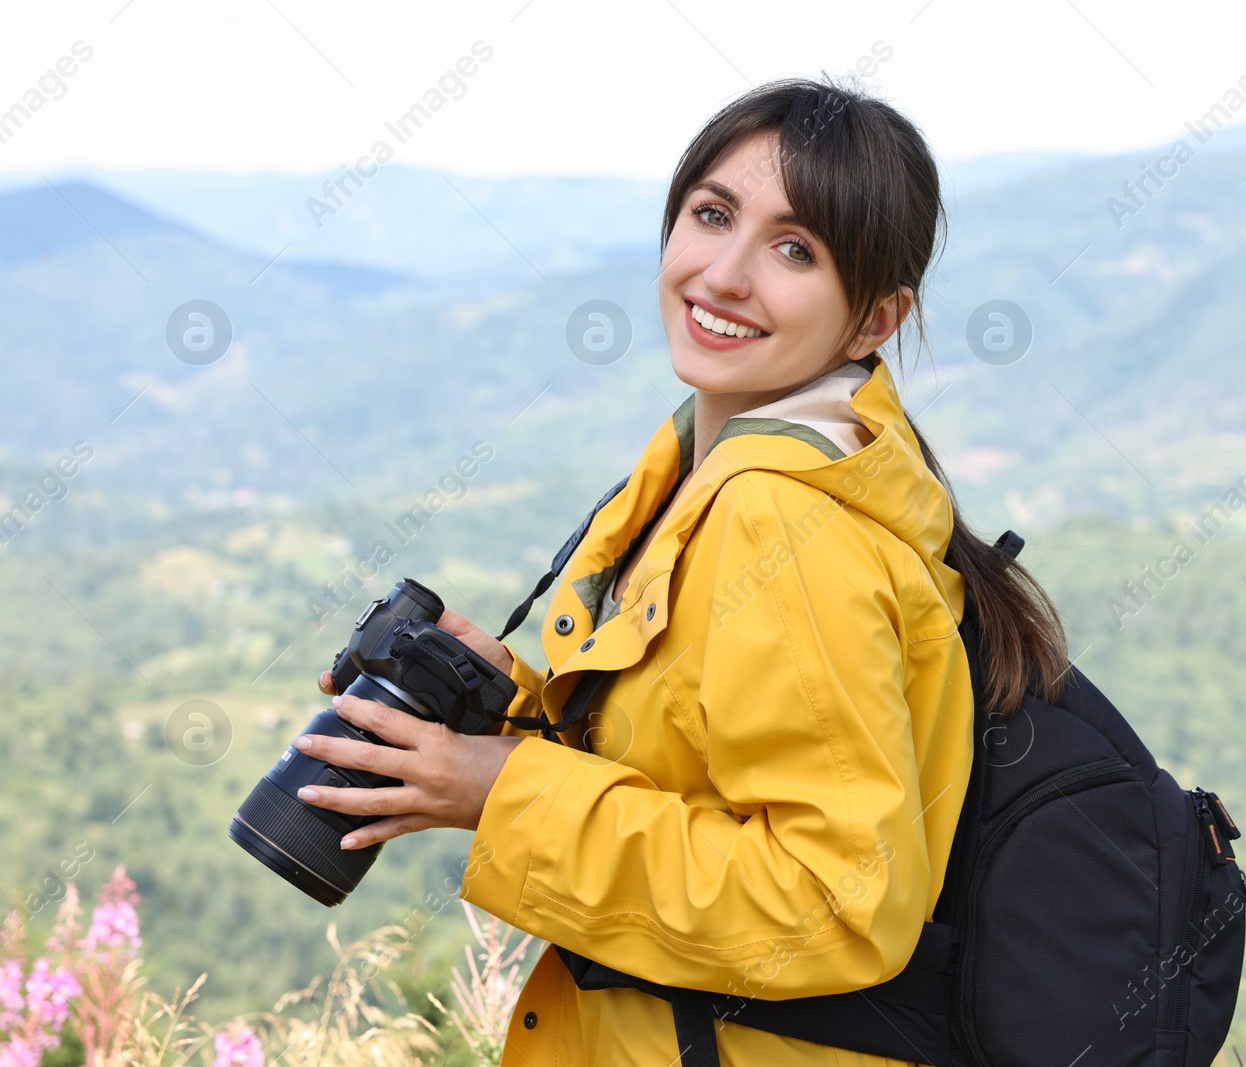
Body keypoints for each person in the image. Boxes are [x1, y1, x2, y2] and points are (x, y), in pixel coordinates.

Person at [295, 75, 1070, 1066]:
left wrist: (504, 792)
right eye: (713, 214)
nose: (726, 274)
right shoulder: (719, 465)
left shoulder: (781, 517)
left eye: (796, 249)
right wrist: (513, 715)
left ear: (875, 320)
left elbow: (832, 901)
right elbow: (692, 775)